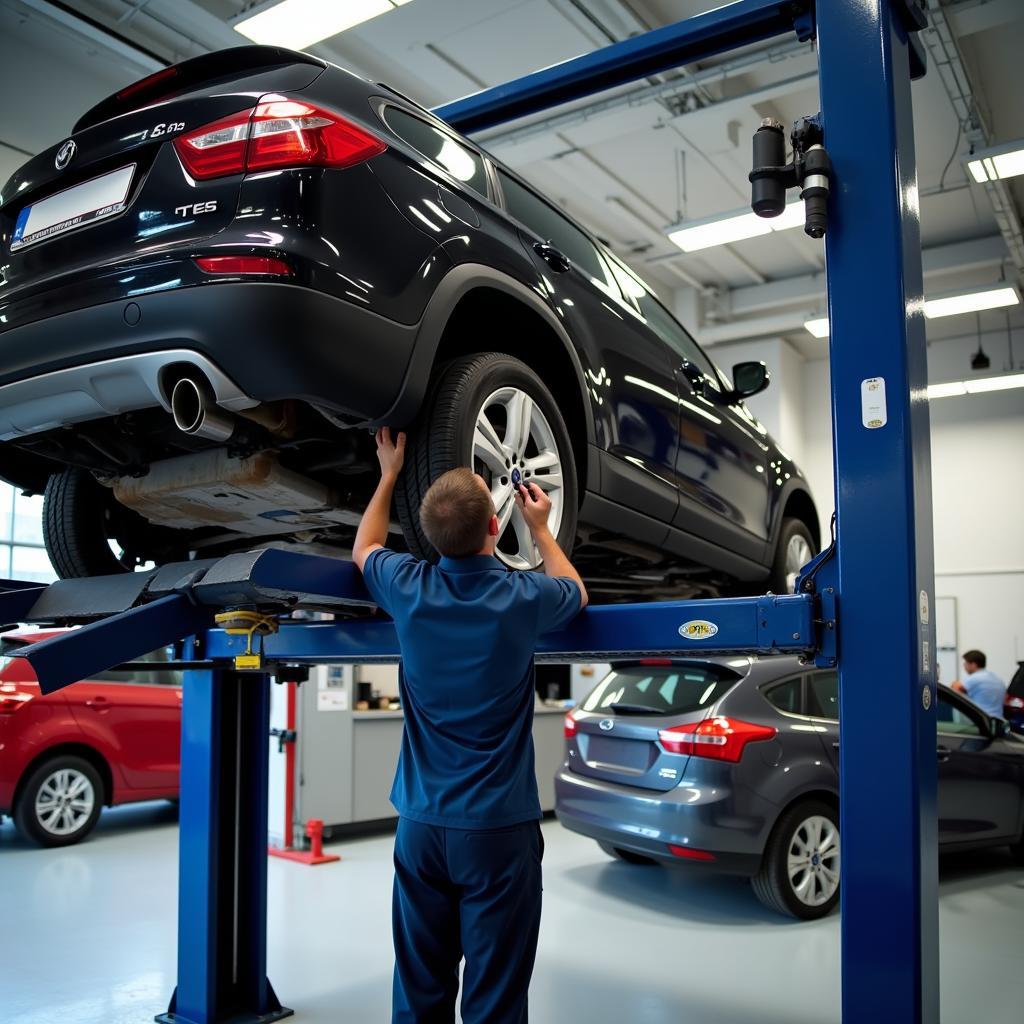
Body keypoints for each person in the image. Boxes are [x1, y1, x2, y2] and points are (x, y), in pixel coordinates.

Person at [352, 427, 588, 1024]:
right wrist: (540, 528)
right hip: (496, 834)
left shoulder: (408, 586)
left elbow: (365, 548)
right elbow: (575, 591)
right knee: (495, 995)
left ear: (430, 539)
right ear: (494, 527)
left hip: (421, 827)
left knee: (420, 988)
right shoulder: (520, 597)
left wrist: (387, 474)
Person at [951, 649, 1007, 719]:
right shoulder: (997, 678)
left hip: (982, 720)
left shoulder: (976, 677)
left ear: (973, 665)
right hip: (998, 719)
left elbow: (954, 688)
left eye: (965, 663)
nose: (964, 666)